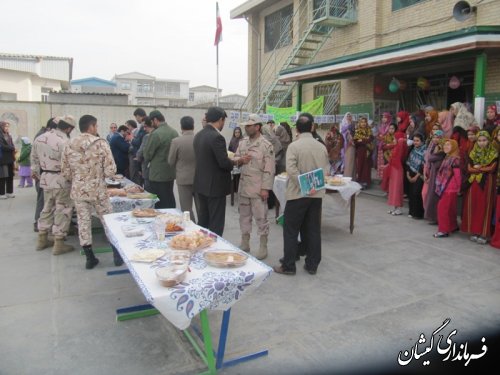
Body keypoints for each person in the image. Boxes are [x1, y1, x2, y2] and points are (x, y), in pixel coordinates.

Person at [273, 113, 329, 276]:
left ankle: (289, 265)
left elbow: (291, 170)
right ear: (312, 127)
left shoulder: (294, 146)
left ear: (296, 128)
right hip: (316, 195)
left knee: (290, 230)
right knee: (312, 229)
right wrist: (313, 185)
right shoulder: (321, 146)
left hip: (298, 194)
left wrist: (304, 185)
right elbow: (326, 170)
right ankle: (312, 264)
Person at [61, 115, 118, 269]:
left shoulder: (69, 144)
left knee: (83, 222)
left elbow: (65, 172)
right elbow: (111, 170)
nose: (97, 129)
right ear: (92, 126)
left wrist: (79, 177)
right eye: (96, 126)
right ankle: (117, 255)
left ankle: (90, 258)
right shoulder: (100, 143)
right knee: (108, 221)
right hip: (98, 190)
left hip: (79, 190)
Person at [31, 116, 76, 255]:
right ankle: (59, 242)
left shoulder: (40, 138)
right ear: (69, 128)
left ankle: (42, 238)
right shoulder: (65, 141)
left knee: (47, 208)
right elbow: (71, 164)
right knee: (62, 210)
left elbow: (34, 161)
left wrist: (39, 176)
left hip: (45, 178)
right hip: (61, 180)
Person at [193, 106, 241, 236]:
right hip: (215, 187)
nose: (223, 125)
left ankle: (201, 246)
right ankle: (214, 250)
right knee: (216, 223)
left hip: (200, 185)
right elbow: (224, 162)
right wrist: (237, 161)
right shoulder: (216, 137)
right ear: (220, 119)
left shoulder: (198, 135)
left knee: (203, 221)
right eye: (223, 121)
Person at [235, 114, 274, 260]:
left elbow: (269, 169)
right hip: (244, 187)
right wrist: (239, 160)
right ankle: (245, 243)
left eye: (249, 125)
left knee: (261, 218)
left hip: (258, 189)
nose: (246, 128)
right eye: (246, 125)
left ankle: (263, 246)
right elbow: (235, 158)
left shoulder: (266, 145)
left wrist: (265, 188)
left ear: (257, 127)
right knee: (244, 217)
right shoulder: (243, 142)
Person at [461, 130, 498, 244]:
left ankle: (484, 234)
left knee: (485, 206)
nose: (482, 143)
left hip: (487, 183)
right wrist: (481, 168)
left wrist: (478, 168)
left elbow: (491, 169)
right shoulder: (472, 152)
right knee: (474, 205)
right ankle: (475, 231)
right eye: (479, 140)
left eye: (484, 140)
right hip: (474, 183)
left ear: (489, 141)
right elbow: (469, 169)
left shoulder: (493, 152)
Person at [143, 110, 178, 209]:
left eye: (151, 122)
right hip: (170, 172)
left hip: (157, 174)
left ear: (155, 120)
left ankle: (161, 222)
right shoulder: (174, 132)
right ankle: (171, 220)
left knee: (159, 202)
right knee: (169, 198)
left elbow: (147, 154)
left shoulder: (156, 134)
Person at [168, 116, 198, 222]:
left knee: (186, 209)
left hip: (183, 179)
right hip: (199, 178)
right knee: (201, 208)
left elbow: (170, 161)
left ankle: (192, 227)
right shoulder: (199, 139)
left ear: (181, 126)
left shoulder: (176, 141)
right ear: (193, 126)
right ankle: (203, 228)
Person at [32, 118, 58, 231]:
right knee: (44, 201)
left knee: (45, 201)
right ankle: (39, 224)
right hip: (45, 174)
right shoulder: (43, 137)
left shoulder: (41, 135)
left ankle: (40, 225)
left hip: (43, 174)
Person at [433, 139, 461, 238]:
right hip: (446, 187)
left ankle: (443, 230)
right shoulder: (448, 157)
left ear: (453, 146)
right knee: (450, 209)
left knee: (442, 208)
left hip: (450, 188)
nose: (445, 146)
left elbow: (457, 175)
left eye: (448, 145)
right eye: (445, 144)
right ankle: (453, 226)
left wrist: (458, 188)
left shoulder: (454, 159)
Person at [381, 132, 407, 215]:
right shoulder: (396, 147)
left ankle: (399, 208)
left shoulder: (400, 146)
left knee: (397, 189)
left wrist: (401, 139)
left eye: (395, 138)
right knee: (392, 189)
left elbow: (402, 142)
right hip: (393, 169)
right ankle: (394, 207)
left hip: (397, 170)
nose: (394, 140)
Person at [422, 130, 445, 223]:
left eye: (438, 137)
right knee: (427, 194)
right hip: (430, 173)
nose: (435, 139)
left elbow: (432, 158)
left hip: (438, 175)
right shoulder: (432, 146)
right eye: (434, 137)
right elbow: (428, 160)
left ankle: (436, 218)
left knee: (435, 196)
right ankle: (431, 216)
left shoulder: (442, 148)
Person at [405, 133, 426, 219]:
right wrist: (408, 175)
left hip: (419, 175)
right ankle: (411, 211)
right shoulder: (412, 149)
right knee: (410, 194)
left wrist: (415, 177)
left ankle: (418, 214)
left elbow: (423, 166)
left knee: (416, 193)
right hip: (410, 173)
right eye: (414, 140)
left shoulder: (425, 151)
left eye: (417, 141)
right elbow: (408, 162)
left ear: (422, 141)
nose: (415, 142)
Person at [353, 116, 373, 189]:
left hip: (368, 151)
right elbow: (355, 142)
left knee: (367, 167)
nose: (363, 123)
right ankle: (360, 181)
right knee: (360, 166)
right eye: (362, 122)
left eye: (365, 122)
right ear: (359, 123)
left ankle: (366, 182)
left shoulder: (369, 130)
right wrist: (365, 140)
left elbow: (371, 139)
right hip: (360, 151)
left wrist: (362, 140)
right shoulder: (357, 130)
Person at [136, 117, 154, 192]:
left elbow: (141, 152)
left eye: (145, 127)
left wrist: (138, 158)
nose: (144, 129)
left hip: (148, 168)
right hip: (161, 172)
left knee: (148, 191)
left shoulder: (147, 137)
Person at [0, 121, 16, 199]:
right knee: (3, 176)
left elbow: (12, 144)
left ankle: (9, 192)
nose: (7, 128)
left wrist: (12, 147)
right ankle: (1, 193)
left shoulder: (9, 135)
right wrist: (12, 148)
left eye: (8, 126)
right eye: (5, 126)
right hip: (3, 159)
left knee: (10, 175)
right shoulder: (0, 135)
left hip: (10, 158)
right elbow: (2, 146)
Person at [376, 113, 393, 179]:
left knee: (386, 162)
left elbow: (391, 137)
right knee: (381, 162)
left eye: (385, 117)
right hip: (381, 146)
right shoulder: (382, 126)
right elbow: (378, 135)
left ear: (388, 118)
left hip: (388, 147)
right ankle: (382, 178)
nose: (383, 119)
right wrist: (379, 137)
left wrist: (382, 137)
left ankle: (387, 178)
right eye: (383, 117)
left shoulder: (390, 126)